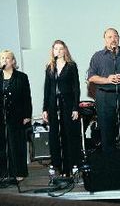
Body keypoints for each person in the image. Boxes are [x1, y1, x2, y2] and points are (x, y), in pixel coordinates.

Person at [0, 50, 32, 187]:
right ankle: (5, 173)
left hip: (16, 116)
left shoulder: (21, 77)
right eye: (2, 58)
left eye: (7, 58)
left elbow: (26, 97)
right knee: (0, 145)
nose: (4, 60)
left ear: (13, 61)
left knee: (16, 145)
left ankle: (18, 172)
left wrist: (27, 114)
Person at [87, 28, 120, 152]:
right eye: (110, 37)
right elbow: (91, 77)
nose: (113, 39)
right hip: (105, 98)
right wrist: (107, 80)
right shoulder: (97, 56)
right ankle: (111, 165)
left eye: (115, 36)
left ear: (119, 38)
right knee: (107, 133)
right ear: (105, 40)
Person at [42, 40, 81, 177]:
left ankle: (73, 164)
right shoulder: (49, 67)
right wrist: (45, 108)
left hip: (68, 104)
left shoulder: (71, 66)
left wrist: (76, 107)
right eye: (56, 49)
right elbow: (47, 89)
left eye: (61, 48)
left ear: (65, 50)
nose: (58, 51)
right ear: (53, 51)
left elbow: (76, 88)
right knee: (55, 135)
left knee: (69, 134)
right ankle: (57, 164)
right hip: (53, 105)